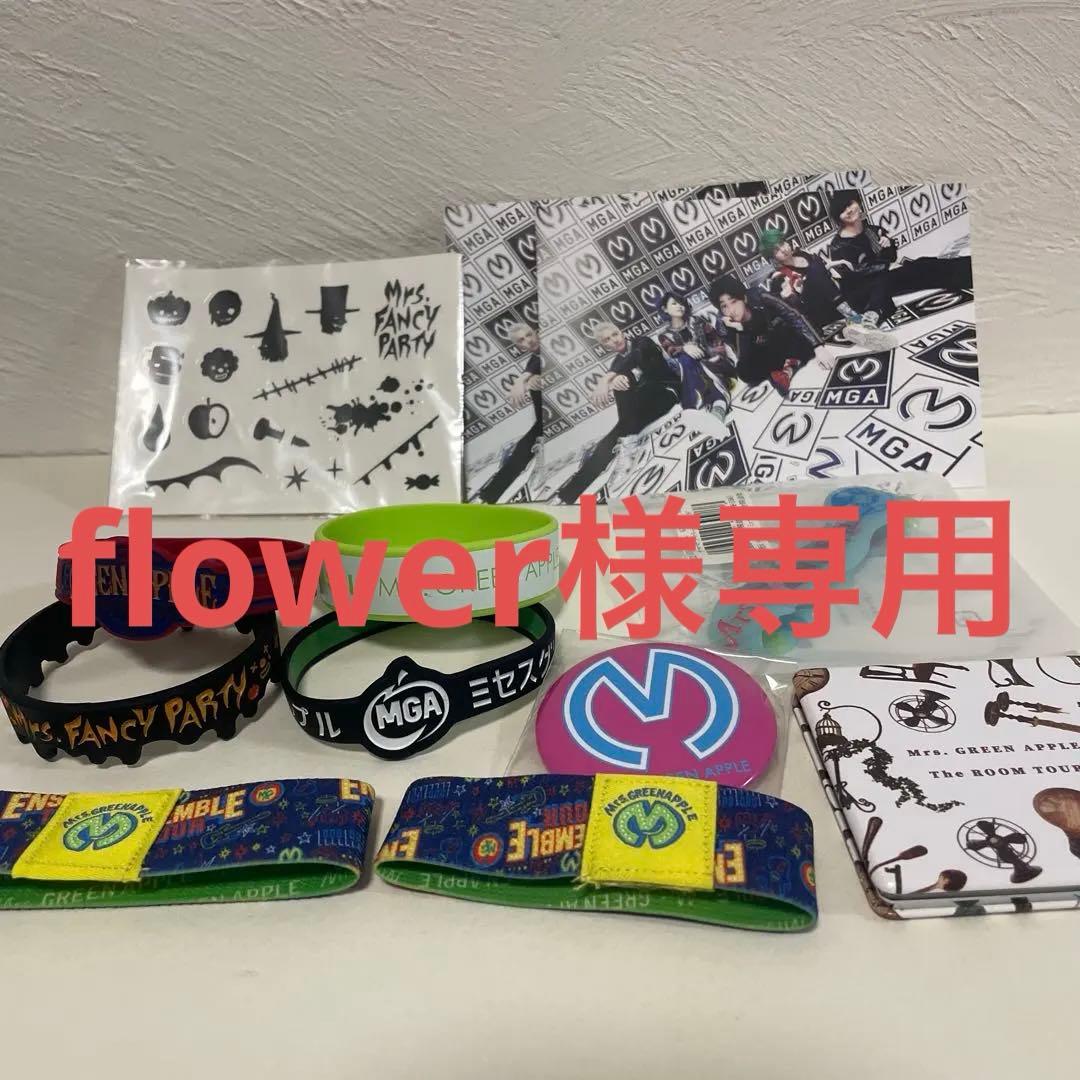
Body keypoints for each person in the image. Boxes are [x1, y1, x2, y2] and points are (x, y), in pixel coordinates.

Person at [555, 321, 680, 503]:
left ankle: (628, 438)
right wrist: (614, 379)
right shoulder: (616, 364)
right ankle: (567, 495)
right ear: (604, 346)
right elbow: (625, 373)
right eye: (607, 340)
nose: (614, 340)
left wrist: (607, 378)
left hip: (667, 393)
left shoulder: (641, 342)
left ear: (622, 333)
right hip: (643, 409)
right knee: (612, 438)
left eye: (614, 334)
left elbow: (636, 357)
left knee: (621, 379)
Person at [826, 189, 973, 327]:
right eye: (842, 210)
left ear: (858, 202)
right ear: (839, 218)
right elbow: (853, 275)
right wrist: (886, 266)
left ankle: (970, 270)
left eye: (850, 204)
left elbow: (891, 257)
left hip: (887, 278)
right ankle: (870, 318)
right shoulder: (837, 246)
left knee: (924, 264)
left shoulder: (871, 230)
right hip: (867, 289)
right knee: (916, 269)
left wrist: (888, 245)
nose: (849, 211)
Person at [758, 228, 893, 350]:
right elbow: (794, 310)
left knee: (879, 282)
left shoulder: (803, 253)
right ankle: (855, 319)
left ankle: (870, 319)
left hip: (837, 296)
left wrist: (837, 263)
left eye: (782, 244)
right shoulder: (779, 276)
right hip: (821, 311)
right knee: (815, 271)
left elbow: (825, 271)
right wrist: (792, 295)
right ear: (773, 258)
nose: (783, 250)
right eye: (776, 250)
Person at [707, 274, 831, 397]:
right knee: (744, 372)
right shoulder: (723, 326)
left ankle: (790, 365)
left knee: (806, 334)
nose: (731, 310)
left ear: (743, 298)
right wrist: (741, 331)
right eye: (724, 306)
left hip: (783, 337)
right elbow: (743, 357)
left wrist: (818, 346)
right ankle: (790, 364)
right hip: (764, 351)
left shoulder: (760, 296)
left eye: (734, 302)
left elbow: (792, 314)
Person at [474, 322, 543, 503]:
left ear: (536, 332)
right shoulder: (533, 363)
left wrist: (523, 379)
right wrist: (526, 379)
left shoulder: (543, 357)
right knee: (520, 453)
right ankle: (487, 498)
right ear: (519, 347)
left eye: (529, 335)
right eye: (521, 340)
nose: (528, 341)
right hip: (544, 425)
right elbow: (536, 364)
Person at [653, 290, 735, 439]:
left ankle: (693, 406)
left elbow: (718, 343)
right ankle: (717, 412)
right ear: (665, 309)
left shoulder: (697, 321)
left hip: (716, 364)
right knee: (685, 359)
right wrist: (685, 348)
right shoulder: (665, 335)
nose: (679, 306)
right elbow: (672, 351)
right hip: (694, 374)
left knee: (694, 364)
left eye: (681, 303)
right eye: (674, 303)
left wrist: (705, 353)